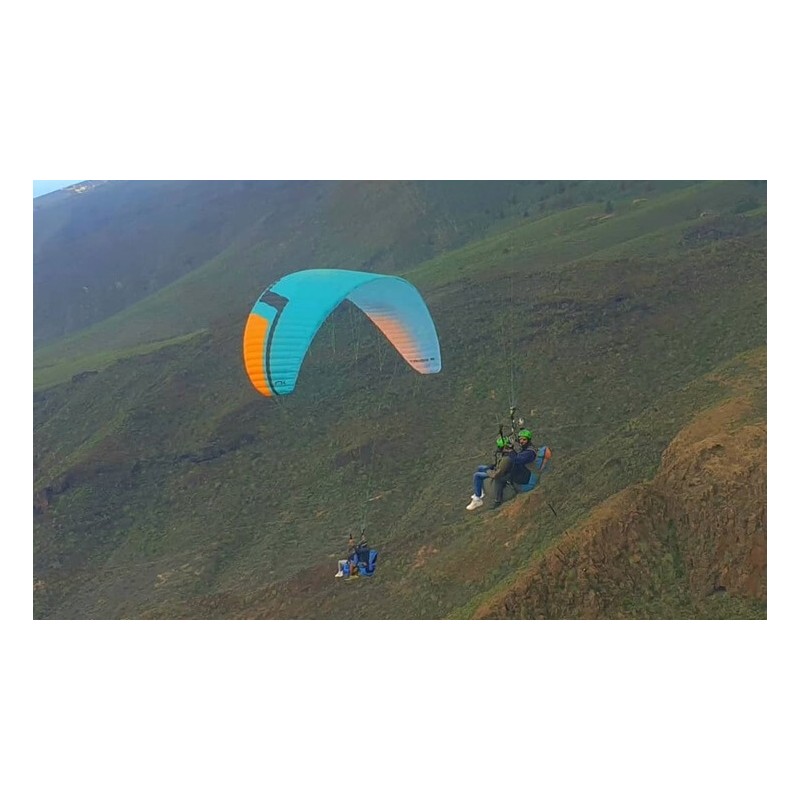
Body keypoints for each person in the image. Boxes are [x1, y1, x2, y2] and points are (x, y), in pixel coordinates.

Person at [489, 429, 539, 508]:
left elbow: (517, 460)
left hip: (526, 478)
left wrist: (510, 451)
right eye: (520, 439)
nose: (521, 441)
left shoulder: (529, 452)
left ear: (528, 440)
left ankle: (498, 501)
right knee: (506, 473)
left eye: (524, 439)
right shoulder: (527, 449)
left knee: (500, 478)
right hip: (524, 473)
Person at [466, 435, 514, 511]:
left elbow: (497, 474)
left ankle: (477, 499)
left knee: (477, 475)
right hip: (500, 472)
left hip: (502, 476)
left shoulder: (506, 459)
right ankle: (479, 492)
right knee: (480, 467)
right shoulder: (507, 455)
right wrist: (491, 466)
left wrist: (488, 471)